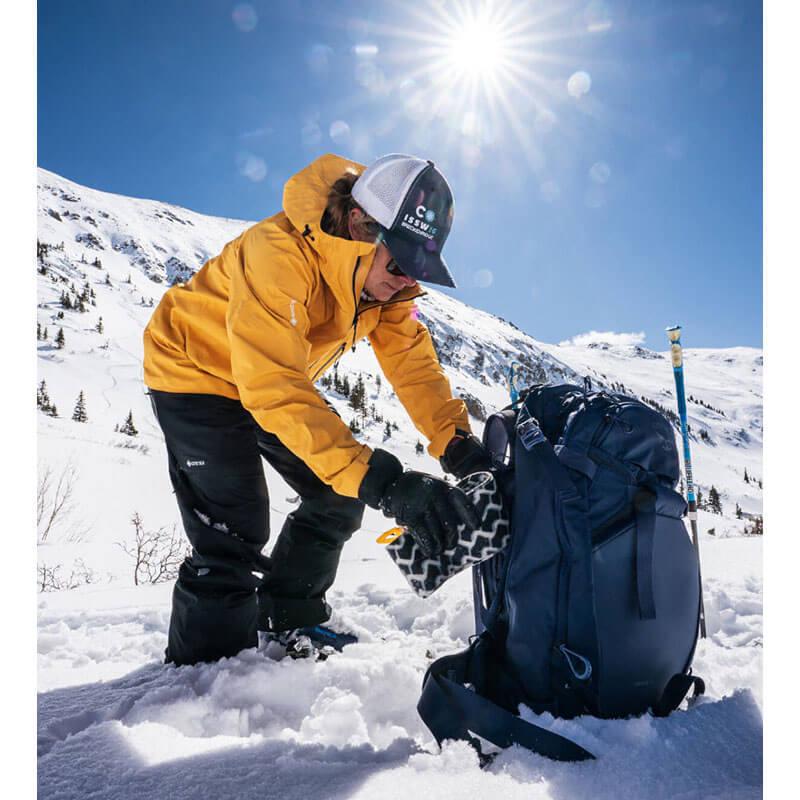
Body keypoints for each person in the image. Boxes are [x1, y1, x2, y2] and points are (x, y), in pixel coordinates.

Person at [143, 152, 491, 666]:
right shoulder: (277, 253)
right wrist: (386, 482)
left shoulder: (385, 291)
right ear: (358, 225)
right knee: (233, 527)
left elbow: (413, 364)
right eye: (400, 263)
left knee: (336, 491)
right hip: (195, 372)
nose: (406, 282)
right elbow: (274, 385)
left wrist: (457, 445)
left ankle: (287, 619)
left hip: (269, 379)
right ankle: (203, 678)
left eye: (419, 271)